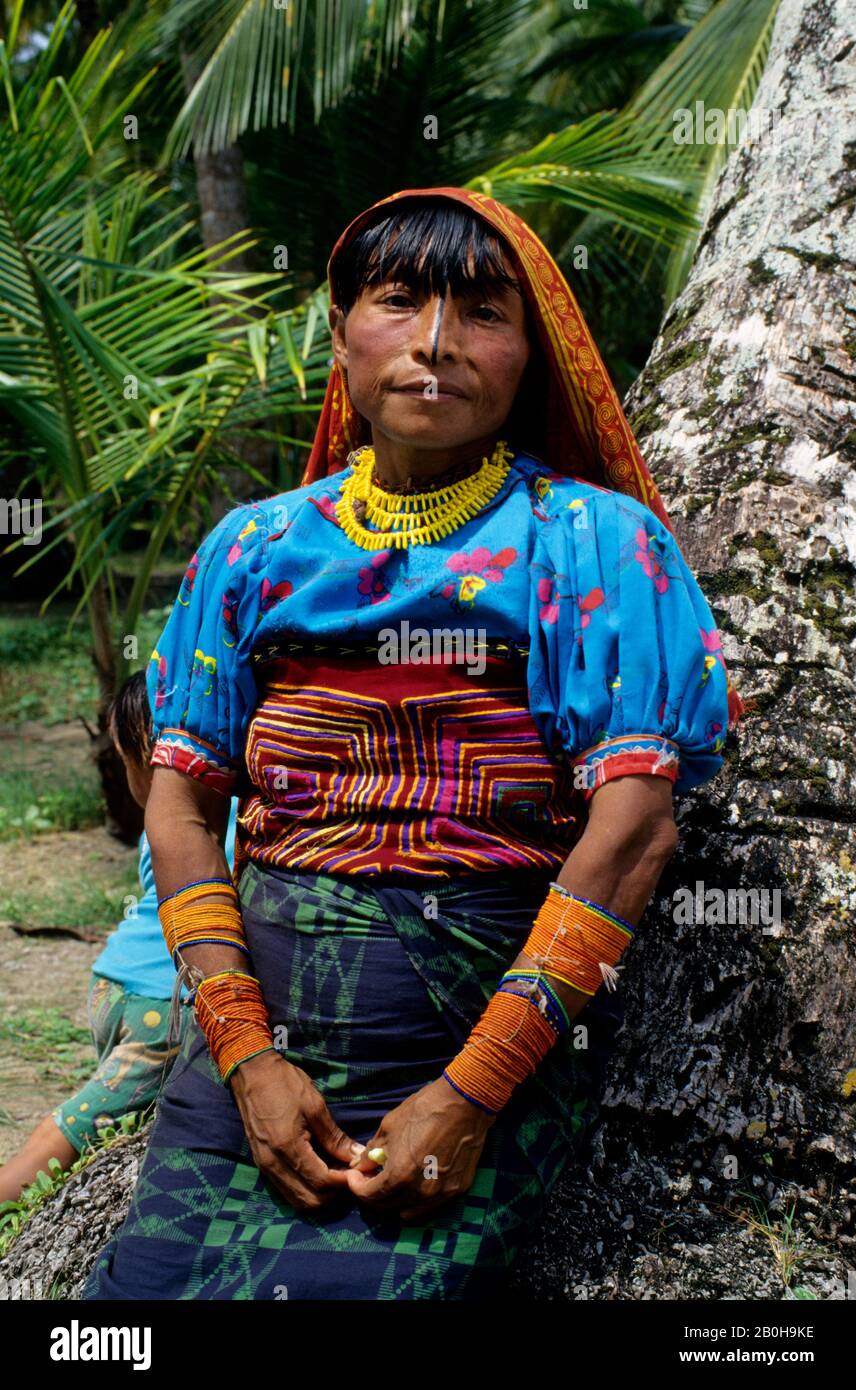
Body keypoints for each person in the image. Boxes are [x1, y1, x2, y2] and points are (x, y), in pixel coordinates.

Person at [83, 187, 746, 1301]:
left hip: (477, 1044)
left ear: (529, 354)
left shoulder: (588, 544)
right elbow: (184, 806)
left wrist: (475, 1090)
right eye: (398, 302)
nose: (437, 343)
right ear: (341, 336)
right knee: (128, 1308)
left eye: (484, 311)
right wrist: (247, 1057)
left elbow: (633, 831)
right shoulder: (252, 551)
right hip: (250, 1041)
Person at [0, 672, 238, 1206]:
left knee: (108, 1127)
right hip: (164, 1006)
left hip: (116, 985)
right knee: (68, 1134)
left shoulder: (163, 823)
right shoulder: (235, 810)